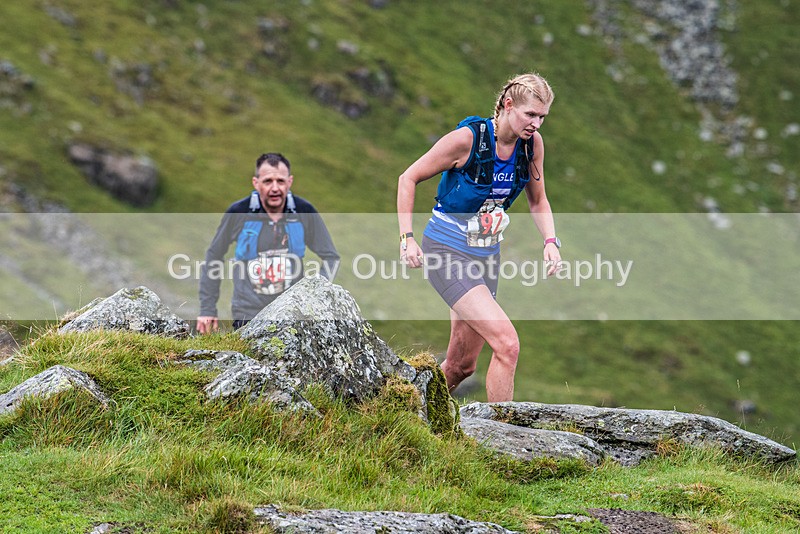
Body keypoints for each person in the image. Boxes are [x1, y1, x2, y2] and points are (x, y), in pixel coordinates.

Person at [396, 73, 560, 402]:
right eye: (530, 115)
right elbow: (408, 177)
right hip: (446, 249)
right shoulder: (466, 140)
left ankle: (402, 406)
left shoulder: (531, 146)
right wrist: (407, 238)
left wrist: (551, 242)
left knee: (461, 366)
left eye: (542, 117)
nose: (536, 124)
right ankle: (503, 438)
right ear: (507, 105)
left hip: (486, 255)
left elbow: (538, 199)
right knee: (507, 344)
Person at [197, 152, 340, 333]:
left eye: (280, 181)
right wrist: (207, 309)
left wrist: (314, 294)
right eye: (267, 181)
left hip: (293, 312)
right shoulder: (239, 212)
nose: (275, 188)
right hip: (247, 313)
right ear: (256, 183)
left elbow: (331, 257)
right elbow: (214, 255)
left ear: (290, 182)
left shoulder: (304, 211)